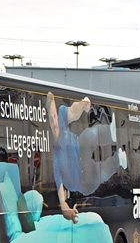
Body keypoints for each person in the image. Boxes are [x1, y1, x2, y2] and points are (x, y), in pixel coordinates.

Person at [47, 93, 127, 223]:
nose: (55, 123)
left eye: (55, 117)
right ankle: (118, 159)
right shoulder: (56, 155)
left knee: (86, 137)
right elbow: (59, 185)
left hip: (80, 153)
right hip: (82, 181)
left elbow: (73, 111)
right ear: (49, 124)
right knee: (97, 171)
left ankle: (110, 133)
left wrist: (82, 104)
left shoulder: (61, 116)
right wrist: (64, 206)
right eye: (51, 119)